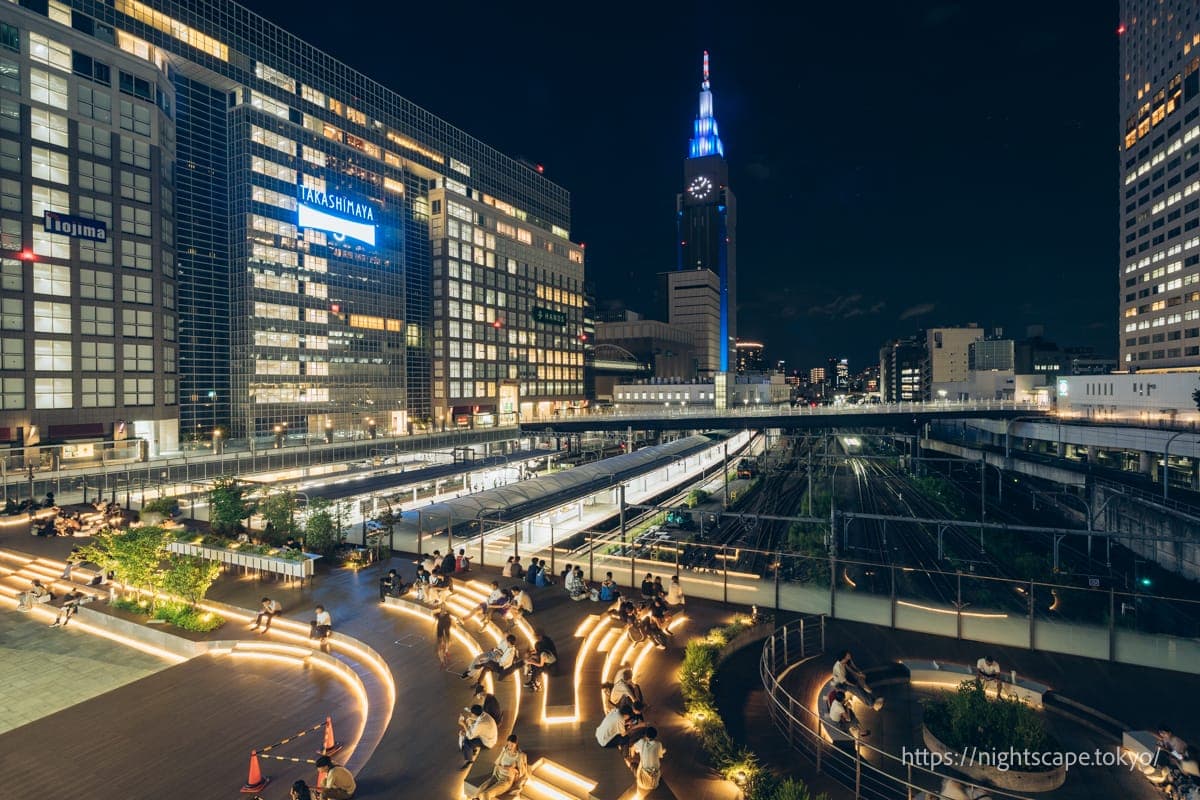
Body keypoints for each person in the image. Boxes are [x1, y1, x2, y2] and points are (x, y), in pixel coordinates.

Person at [470, 734, 528, 800]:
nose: (510, 746)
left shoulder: (519, 756)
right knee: (478, 793)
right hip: (497, 775)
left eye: (512, 745)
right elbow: (497, 763)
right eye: (508, 744)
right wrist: (501, 767)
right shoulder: (505, 751)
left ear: (516, 744)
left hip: (506, 780)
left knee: (485, 794)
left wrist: (512, 769)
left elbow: (522, 773)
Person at [458, 703, 499, 768]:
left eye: (472, 714)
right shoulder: (484, 714)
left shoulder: (480, 724)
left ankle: (468, 759)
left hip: (488, 743)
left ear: (474, 714)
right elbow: (476, 722)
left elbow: (470, 736)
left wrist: (463, 724)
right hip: (492, 737)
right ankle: (472, 749)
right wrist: (470, 720)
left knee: (467, 740)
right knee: (469, 730)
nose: (471, 715)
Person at [627, 726, 665, 792]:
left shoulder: (642, 742)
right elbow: (660, 756)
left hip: (642, 782)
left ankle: (629, 763)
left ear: (645, 735)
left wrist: (632, 755)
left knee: (631, 763)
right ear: (655, 736)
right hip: (655, 784)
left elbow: (632, 748)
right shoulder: (659, 744)